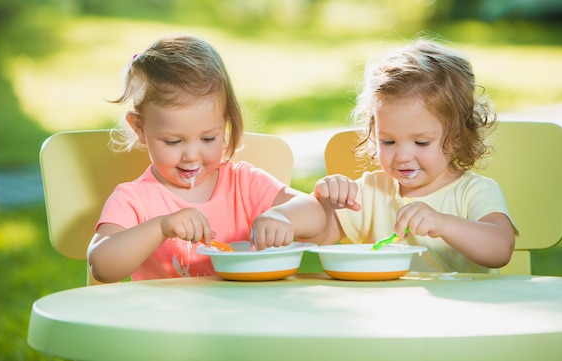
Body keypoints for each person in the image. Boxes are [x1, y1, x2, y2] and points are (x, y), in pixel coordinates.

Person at [87, 35, 325, 282]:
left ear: (226, 124)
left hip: (245, 314)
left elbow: (316, 215)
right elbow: (102, 267)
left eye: (209, 139)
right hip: (165, 318)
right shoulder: (134, 199)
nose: (191, 156)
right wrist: (160, 228)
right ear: (139, 129)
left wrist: (281, 216)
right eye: (173, 141)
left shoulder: (243, 183)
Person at [311, 38, 517, 273]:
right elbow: (320, 234)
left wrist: (444, 223)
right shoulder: (372, 191)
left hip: (459, 309)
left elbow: (501, 249)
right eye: (387, 141)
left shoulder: (474, 192)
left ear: (458, 137)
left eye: (421, 142)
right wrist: (322, 204)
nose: (402, 156)